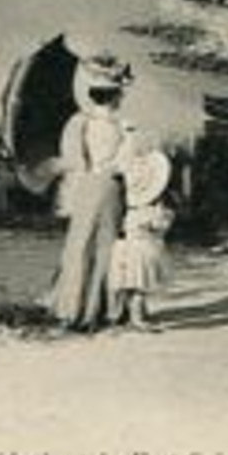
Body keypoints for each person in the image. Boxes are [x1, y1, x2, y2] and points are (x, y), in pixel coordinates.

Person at [48, 52, 136, 331]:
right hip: (110, 187)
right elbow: (127, 163)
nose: (122, 98)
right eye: (120, 94)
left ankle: (70, 308)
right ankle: (99, 311)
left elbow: (73, 160)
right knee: (107, 247)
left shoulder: (79, 122)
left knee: (79, 243)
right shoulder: (124, 127)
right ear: (113, 97)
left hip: (87, 184)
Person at [108, 150, 174, 331]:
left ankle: (131, 314)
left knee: (131, 286)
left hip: (126, 250)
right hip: (143, 252)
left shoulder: (131, 210)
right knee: (140, 288)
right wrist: (164, 216)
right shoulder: (152, 211)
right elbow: (160, 226)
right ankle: (137, 319)